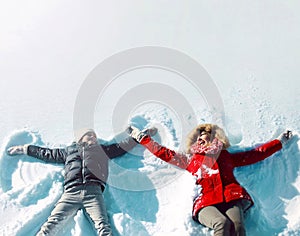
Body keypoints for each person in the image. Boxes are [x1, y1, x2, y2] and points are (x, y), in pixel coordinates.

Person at [128, 124, 293, 236]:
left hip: (231, 196)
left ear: (214, 138)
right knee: (221, 223)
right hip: (206, 203)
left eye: (204, 136)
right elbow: (163, 153)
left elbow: (256, 154)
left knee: (237, 225)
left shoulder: (226, 156)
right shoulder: (191, 160)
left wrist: (280, 142)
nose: (200, 139)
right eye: (198, 137)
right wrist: (142, 138)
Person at [7, 128, 139, 236]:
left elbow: (121, 147)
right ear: (80, 138)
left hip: (93, 193)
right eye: (89, 135)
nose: (93, 137)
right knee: (51, 224)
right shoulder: (68, 151)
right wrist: (26, 149)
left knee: (103, 226)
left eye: (94, 136)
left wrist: (137, 138)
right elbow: (47, 153)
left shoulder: (102, 150)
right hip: (71, 192)